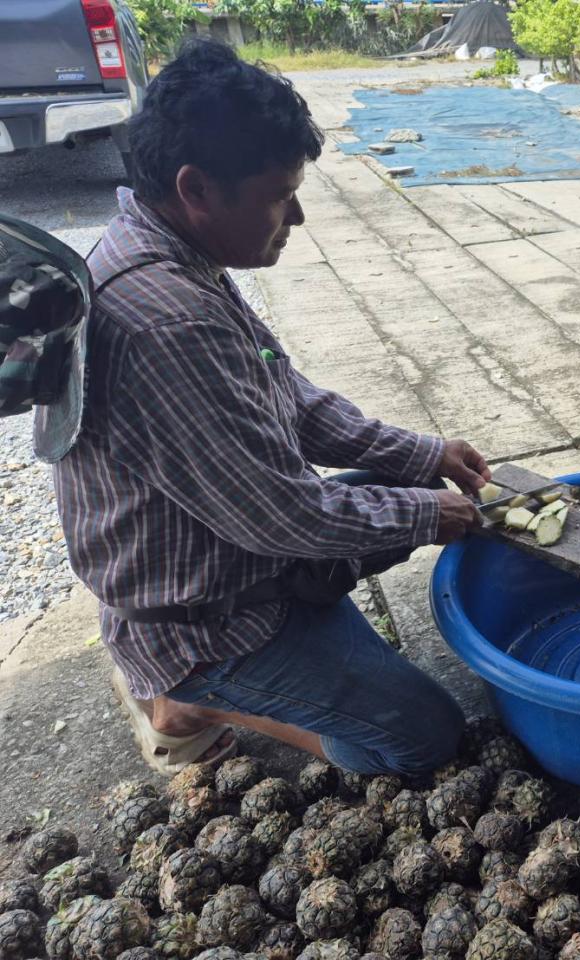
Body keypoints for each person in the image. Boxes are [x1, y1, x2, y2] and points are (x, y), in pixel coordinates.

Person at [50, 39, 487, 778]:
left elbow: (288, 395)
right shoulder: (165, 322)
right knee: (425, 740)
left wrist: (423, 456)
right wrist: (427, 515)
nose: (299, 215)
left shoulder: (171, 257)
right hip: (205, 614)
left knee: (422, 499)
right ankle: (192, 701)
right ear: (197, 190)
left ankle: (264, 666)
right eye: (281, 194)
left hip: (226, 545)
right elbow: (287, 517)